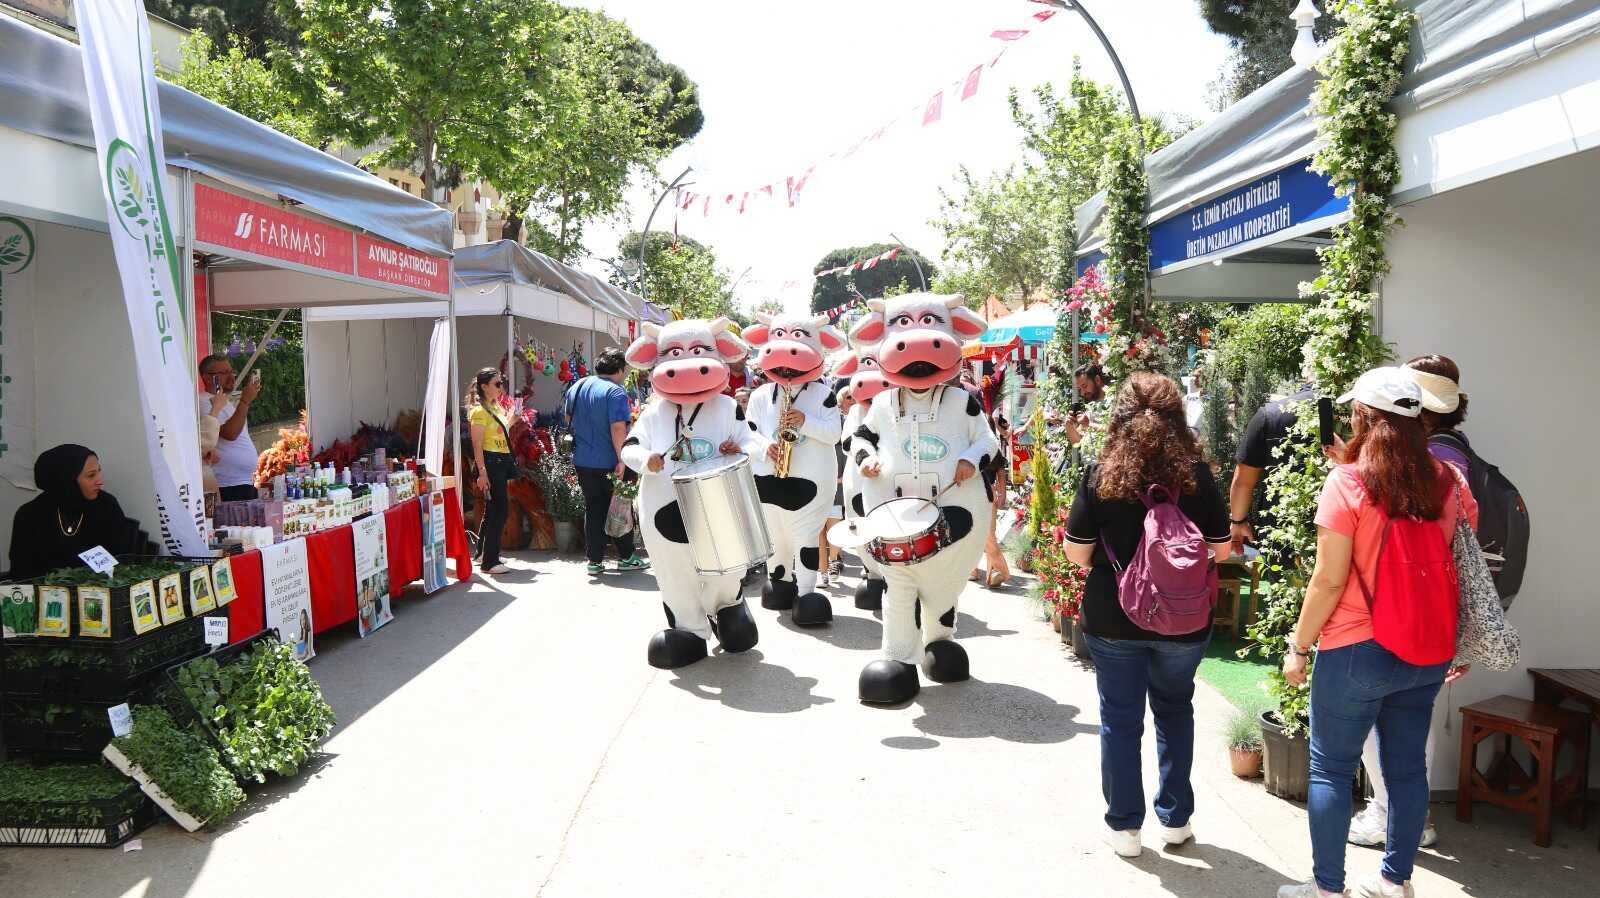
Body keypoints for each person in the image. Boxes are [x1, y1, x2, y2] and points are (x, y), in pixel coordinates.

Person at [1276, 367, 1476, 898]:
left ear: (1363, 416)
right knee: (1407, 769)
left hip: (1357, 647)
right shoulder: (1446, 481)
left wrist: (1298, 647)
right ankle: (1396, 880)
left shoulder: (1347, 482)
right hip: (1427, 646)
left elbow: (1328, 579)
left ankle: (1326, 889)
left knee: (1331, 771)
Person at [1062, 372, 1232, 859]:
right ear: (1177, 417)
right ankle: (1176, 821)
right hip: (1184, 619)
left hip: (1115, 617)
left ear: (1119, 416)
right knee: (1175, 709)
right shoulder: (1197, 478)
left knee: (1120, 719)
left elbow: (1077, 556)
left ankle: (1125, 829)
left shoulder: (1100, 474)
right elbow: (1220, 550)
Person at [1344, 356, 1473, 850]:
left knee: (1394, 725)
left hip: (1408, 609)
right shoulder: (1452, 456)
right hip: (1437, 606)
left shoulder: (1436, 464)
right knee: (1414, 719)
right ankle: (1402, 825)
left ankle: (1396, 818)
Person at [565, 348, 649, 577]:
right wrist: (622, 457)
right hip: (611, 461)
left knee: (594, 509)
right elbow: (618, 427)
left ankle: (594, 560)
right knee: (620, 507)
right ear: (621, 369)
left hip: (583, 460)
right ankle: (626, 557)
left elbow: (568, 418)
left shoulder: (578, 386)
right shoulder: (616, 392)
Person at [9, 445, 139, 578]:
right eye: (91, 475)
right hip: (45, 594)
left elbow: (121, 563)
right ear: (66, 479)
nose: (100, 481)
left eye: (99, 471)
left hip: (98, 592)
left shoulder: (106, 506)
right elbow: (21, 572)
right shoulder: (29, 515)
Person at [1229, 382, 1318, 556]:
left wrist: (1238, 521)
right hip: (1343, 527)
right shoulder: (1355, 411)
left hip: (1282, 530)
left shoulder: (1270, 415)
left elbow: (1243, 482)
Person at [467, 368, 516, 576]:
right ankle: (490, 560)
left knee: (492, 509)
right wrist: (482, 472)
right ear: (484, 386)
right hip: (491, 461)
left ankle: (482, 553)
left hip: (501, 460)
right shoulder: (479, 411)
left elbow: (503, 431)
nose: (501, 387)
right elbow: (477, 445)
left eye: (501, 383)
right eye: (497, 384)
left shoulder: (496, 407)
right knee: (500, 510)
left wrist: (513, 418)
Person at [197, 355, 263, 501]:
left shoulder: (224, 402)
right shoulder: (204, 401)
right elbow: (230, 433)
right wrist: (245, 401)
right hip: (228, 485)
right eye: (224, 373)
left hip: (242, 482)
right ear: (208, 378)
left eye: (231, 371)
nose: (231, 376)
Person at [817, 381, 851, 588]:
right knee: (819, 533)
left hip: (838, 487)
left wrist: (843, 479)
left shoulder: (848, 424)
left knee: (834, 530)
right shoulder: (819, 426)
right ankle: (822, 573)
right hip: (819, 487)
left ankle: (833, 562)